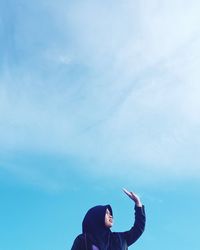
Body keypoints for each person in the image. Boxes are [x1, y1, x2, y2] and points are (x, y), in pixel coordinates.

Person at [71, 188, 146, 250]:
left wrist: (138, 204)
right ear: (97, 216)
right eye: (106, 213)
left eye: (111, 214)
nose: (111, 216)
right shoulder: (83, 240)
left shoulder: (120, 238)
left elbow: (138, 228)